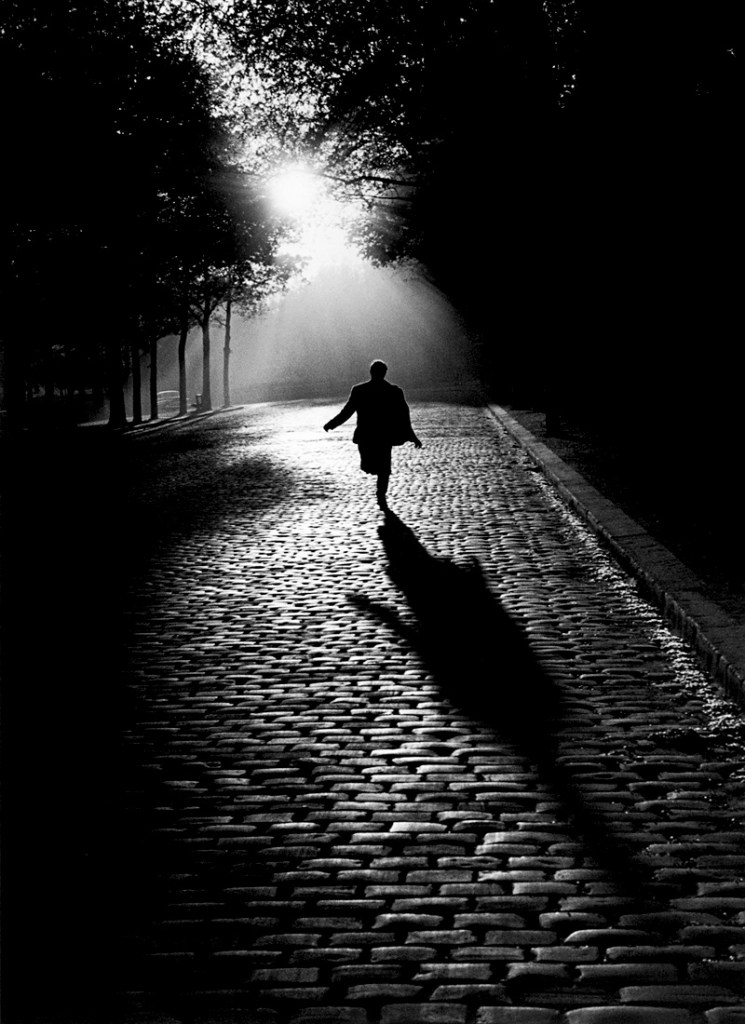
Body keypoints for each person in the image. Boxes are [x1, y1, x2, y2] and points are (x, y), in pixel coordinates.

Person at [324, 360, 422, 509]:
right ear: (385, 373)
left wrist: (332, 424)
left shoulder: (359, 390)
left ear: (371, 372)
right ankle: (381, 492)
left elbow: (347, 411)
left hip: (367, 435)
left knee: (379, 467)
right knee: (381, 468)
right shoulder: (394, 391)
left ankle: (380, 495)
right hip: (384, 435)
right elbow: (404, 416)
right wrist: (412, 436)